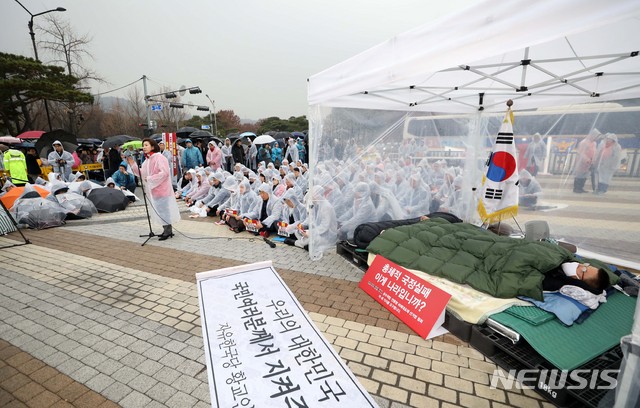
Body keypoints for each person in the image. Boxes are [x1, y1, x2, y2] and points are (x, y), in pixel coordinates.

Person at [127, 138, 180, 240]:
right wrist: (133, 164)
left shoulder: (159, 157)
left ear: (152, 146)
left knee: (164, 210)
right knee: (160, 211)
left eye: (146, 145)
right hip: (154, 190)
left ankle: (168, 231)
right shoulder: (148, 160)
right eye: (143, 145)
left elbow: (164, 173)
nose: (144, 147)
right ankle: (166, 230)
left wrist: (151, 178)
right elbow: (142, 173)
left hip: (162, 189)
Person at [573, 129, 599, 193]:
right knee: (579, 175)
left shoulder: (594, 143)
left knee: (585, 175)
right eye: (596, 136)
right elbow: (581, 153)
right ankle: (576, 188)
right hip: (581, 162)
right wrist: (587, 160)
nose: (597, 138)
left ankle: (581, 188)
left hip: (589, 163)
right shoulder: (583, 142)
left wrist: (593, 160)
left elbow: (594, 152)